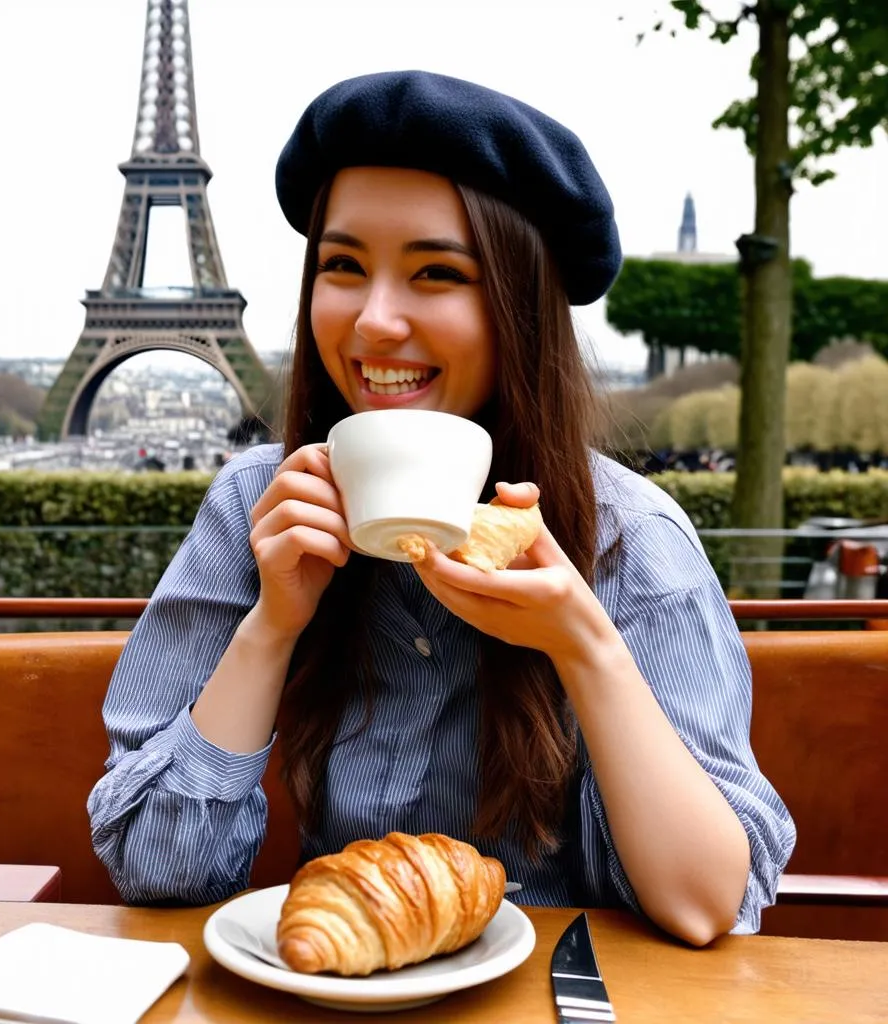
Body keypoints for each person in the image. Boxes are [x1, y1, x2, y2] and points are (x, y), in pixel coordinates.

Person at [88, 71, 795, 944]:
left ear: (519, 310)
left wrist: (583, 642)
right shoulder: (254, 510)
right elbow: (157, 869)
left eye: (436, 273)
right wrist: (271, 625)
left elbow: (702, 906)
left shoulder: (629, 542)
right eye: (342, 266)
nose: (375, 321)